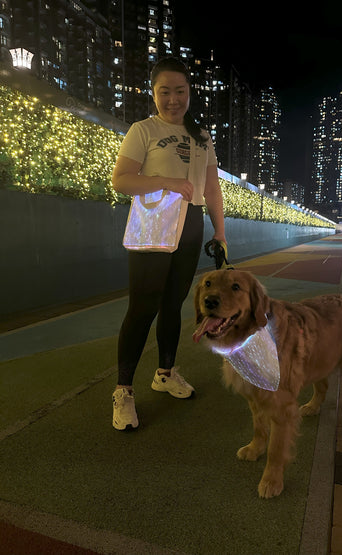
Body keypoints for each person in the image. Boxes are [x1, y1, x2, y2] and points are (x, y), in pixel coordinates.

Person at [111, 57, 226, 430]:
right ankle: (123, 391)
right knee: (142, 308)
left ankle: (165, 372)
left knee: (173, 305)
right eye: (165, 92)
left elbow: (211, 189)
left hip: (190, 225)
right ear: (153, 93)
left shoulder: (202, 136)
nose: (173, 99)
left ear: (190, 93)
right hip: (154, 224)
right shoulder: (143, 129)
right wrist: (167, 182)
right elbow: (122, 180)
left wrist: (220, 232)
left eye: (180, 91)